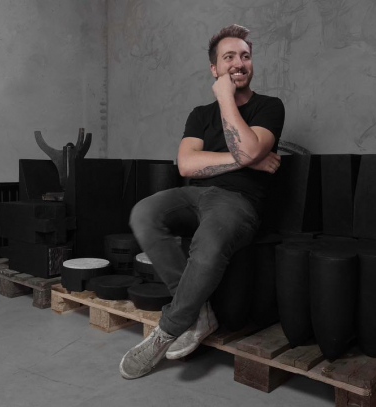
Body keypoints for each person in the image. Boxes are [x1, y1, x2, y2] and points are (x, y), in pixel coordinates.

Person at [119, 24, 285, 380]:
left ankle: (168, 329)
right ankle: (198, 313)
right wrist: (247, 160)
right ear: (214, 68)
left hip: (238, 201)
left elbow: (249, 147)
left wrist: (226, 99)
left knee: (209, 242)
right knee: (144, 213)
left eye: (245, 56)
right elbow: (186, 165)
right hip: (194, 194)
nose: (239, 63)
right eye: (229, 57)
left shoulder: (270, 107)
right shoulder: (199, 114)